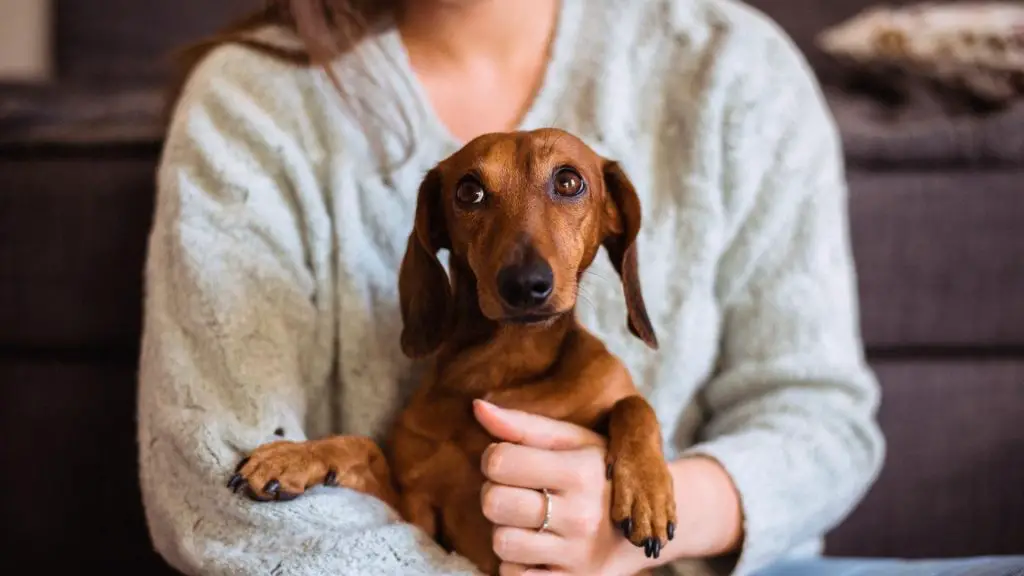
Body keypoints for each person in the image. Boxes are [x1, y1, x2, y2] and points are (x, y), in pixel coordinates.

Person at [136, 0, 1024, 575]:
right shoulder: (251, 98)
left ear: (610, 227)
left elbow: (822, 415)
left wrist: (659, 516)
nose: (525, 251)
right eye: (476, 196)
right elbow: (212, 484)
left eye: (567, 188)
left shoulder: (735, 65)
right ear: (440, 236)